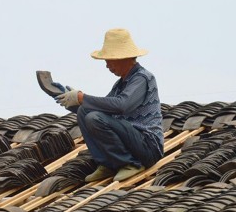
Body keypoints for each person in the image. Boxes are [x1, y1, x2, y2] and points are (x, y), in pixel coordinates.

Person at [54, 28, 163, 182]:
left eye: (109, 60)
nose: (107, 66)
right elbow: (101, 110)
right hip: (131, 142)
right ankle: (107, 164)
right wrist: (71, 101)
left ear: (122, 58)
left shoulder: (142, 78)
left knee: (94, 117)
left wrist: (82, 97)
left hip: (147, 146)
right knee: (85, 113)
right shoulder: (121, 84)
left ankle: (129, 163)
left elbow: (121, 105)